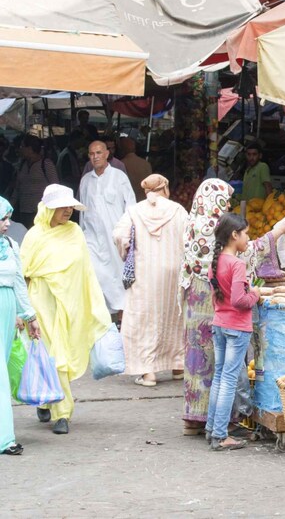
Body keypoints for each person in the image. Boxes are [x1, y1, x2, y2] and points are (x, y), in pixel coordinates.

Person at [180, 179, 285, 436]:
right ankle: (221, 425)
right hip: (215, 302)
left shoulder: (193, 222)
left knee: (202, 359)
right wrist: (276, 231)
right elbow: (241, 254)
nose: (228, 207)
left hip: (196, 295)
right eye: (226, 201)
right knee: (218, 367)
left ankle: (200, 419)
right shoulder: (214, 231)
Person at [20, 184, 112, 435]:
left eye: (70, 205)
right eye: (62, 206)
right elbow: (23, 275)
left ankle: (47, 398)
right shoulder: (34, 236)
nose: (68, 210)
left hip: (69, 304)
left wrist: (91, 306)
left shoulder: (75, 233)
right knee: (52, 354)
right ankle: (62, 413)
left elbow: (86, 272)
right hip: (41, 303)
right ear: (49, 208)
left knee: (60, 354)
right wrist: (23, 311)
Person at [113, 174, 188, 387]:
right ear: (164, 187)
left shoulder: (134, 211)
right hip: (173, 273)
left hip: (144, 273)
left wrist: (127, 251)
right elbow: (189, 238)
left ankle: (148, 373)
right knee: (173, 316)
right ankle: (177, 366)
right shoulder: (178, 210)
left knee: (144, 319)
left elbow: (120, 236)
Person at [205, 213, 261, 451]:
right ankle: (220, 435)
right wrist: (257, 294)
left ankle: (211, 429)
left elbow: (218, 298)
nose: (248, 238)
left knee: (219, 376)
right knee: (228, 379)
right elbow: (239, 300)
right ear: (234, 235)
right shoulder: (237, 264)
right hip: (236, 327)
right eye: (246, 233)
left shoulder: (216, 262)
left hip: (219, 323)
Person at [0, 196, 41, 455]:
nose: (7, 223)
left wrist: (29, 316)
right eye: (2, 219)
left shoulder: (11, 245)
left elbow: (17, 283)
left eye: (7, 218)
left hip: (6, 310)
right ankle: (6, 438)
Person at [79, 141, 137, 315]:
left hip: (115, 239)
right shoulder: (85, 180)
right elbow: (82, 211)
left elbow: (131, 206)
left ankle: (121, 315)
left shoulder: (119, 177)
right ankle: (102, 316)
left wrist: (128, 234)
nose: (95, 157)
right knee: (95, 275)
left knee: (117, 277)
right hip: (92, 239)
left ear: (106, 154)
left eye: (98, 153)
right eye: (91, 154)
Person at [13, 135, 59, 228]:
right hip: (24, 211)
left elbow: (56, 187)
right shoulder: (22, 164)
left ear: (30, 149)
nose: (20, 149)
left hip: (41, 212)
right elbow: (17, 189)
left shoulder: (46, 164)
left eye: (22, 146)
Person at [117, 136, 153, 202]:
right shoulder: (146, 164)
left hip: (128, 202)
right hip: (144, 201)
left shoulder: (120, 165)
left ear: (122, 149)